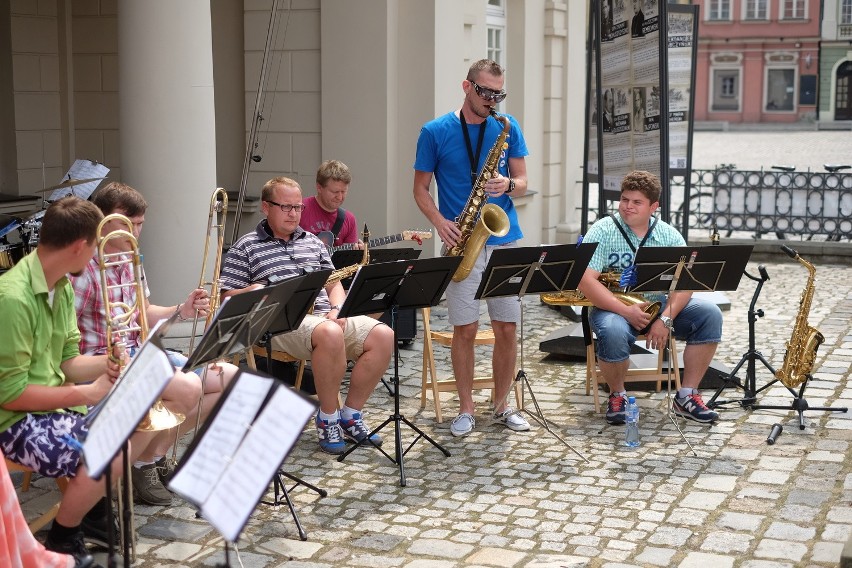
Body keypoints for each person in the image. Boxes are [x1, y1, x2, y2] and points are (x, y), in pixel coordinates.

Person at [0, 196, 192, 567]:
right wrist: (89, 392)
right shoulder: (13, 298)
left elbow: (69, 361)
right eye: (92, 250)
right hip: (15, 422)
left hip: (55, 408)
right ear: (78, 246)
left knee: (140, 422)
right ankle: (64, 534)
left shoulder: (61, 284)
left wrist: (112, 362)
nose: (94, 261)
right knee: (106, 448)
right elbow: (10, 394)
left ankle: (71, 527)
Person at [70, 182, 237, 507]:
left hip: (141, 358)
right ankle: (144, 464)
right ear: (100, 221)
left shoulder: (131, 259)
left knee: (228, 379)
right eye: (125, 223)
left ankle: (147, 457)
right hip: (103, 371)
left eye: (140, 224)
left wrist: (181, 311)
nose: (134, 231)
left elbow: (145, 313)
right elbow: (63, 335)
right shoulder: (84, 271)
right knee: (187, 388)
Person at [219, 176, 394, 455]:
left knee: (383, 334)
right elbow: (226, 297)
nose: (293, 214)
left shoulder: (313, 242)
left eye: (298, 207)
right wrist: (254, 289)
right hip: (279, 323)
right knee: (329, 333)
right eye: (285, 207)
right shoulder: (246, 246)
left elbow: (333, 283)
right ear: (266, 207)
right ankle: (327, 419)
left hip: (324, 317)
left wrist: (337, 309)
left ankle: (350, 415)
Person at [412, 58, 531, 438]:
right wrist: (440, 223)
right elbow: (419, 189)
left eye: (499, 93)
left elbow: (524, 180)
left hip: (503, 237)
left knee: (507, 328)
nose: (492, 100)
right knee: (465, 329)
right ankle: (465, 409)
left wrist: (508, 185)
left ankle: (501, 406)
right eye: (485, 92)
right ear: (466, 87)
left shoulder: (507, 127)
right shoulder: (434, 131)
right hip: (461, 239)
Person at [577, 170, 722, 426]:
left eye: (636, 202)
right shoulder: (603, 229)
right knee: (612, 329)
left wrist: (665, 319)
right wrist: (626, 311)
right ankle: (618, 395)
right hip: (613, 307)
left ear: (653, 206)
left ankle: (686, 396)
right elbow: (585, 280)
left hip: (659, 306)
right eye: (624, 200)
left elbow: (685, 284)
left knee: (710, 314)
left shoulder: (669, 235)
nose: (627, 207)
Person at [300, 159, 361, 250]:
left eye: (344, 191)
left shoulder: (349, 219)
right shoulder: (299, 209)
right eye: (335, 192)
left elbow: (350, 262)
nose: (340, 197)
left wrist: (358, 256)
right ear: (319, 188)